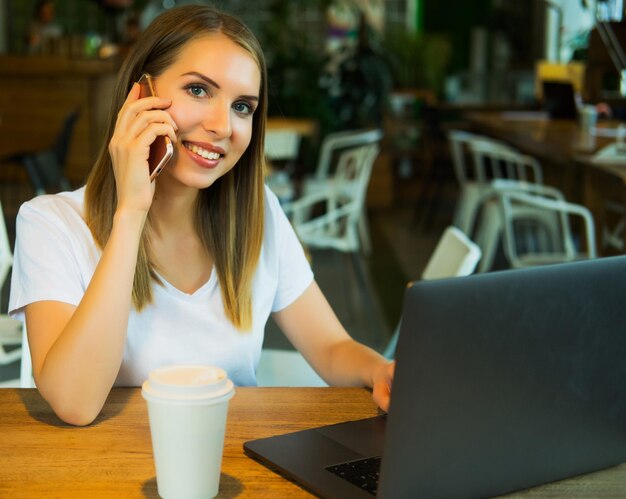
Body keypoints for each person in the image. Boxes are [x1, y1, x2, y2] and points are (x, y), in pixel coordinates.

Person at [9, 5, 394, 426]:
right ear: (139, 94)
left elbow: (332, 347)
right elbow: (75, 403)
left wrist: (379, 370)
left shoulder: (258, 213)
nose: (222, 125)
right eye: (198, 90)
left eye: (242, 107)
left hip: (237, 464)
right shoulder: (50, 223)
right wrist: (131, 211)